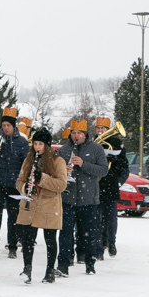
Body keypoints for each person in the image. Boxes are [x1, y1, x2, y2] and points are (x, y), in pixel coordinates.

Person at [15, 128, 67, 284]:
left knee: (50, 239)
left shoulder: (58, 161)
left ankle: (50, 270)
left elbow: (62, 185)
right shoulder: (29, 159)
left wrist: (42, 179)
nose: (37, 147)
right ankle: (27, 269)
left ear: (47, 145)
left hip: (49, 205)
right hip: (30, 204)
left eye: (40, 144)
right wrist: (26, 187)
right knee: (28, 239)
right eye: (35, 144)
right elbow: (19, 181)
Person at [57, 118, 108, 276]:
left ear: (85, 134)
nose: (76, 136)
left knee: (88, 232)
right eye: (73, 133)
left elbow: (103, 170)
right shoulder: (64, 150)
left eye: (79, 133)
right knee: (65, 232)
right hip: (68, 198)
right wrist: (63, 170)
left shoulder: (96, 149)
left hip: (88, 200)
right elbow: (54, 171)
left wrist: (83, 164)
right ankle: (63, 264)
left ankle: (90, 262)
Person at [0, 107, 29, 259]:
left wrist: (21, 179)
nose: (5, 128)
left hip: (13, 184)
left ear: (13, 126)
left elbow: (26, 163)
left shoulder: (22, 142)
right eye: (3, 125)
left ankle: (12, 246)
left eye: (8, 126)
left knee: (13, 216)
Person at [94, 117, 129, 258]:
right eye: (98, 128)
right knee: (96, 218)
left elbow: (124, 167)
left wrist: (118, 181)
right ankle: (99, 246)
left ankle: (111, 242)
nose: (100, 130)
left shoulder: (116, 144)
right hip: (96, 186)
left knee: (111, 218)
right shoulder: (93, 144)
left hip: (111, 185)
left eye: (103, 128)